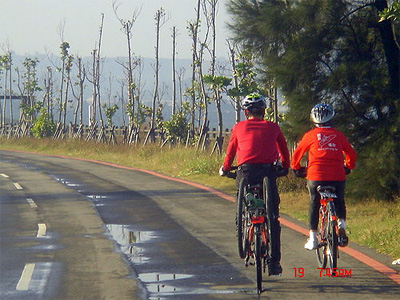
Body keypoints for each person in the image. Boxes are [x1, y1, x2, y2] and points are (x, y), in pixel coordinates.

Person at [219, 93, 290, 276]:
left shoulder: (238, 127)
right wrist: (286, 167)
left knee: (241, 204)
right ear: (263, 111)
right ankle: (274, 262)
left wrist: (226, 169)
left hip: (246, 172)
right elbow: (283, 150)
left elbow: (231, 152)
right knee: (273, 217)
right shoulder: (273, 127)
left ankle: (242, 224)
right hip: (268, 171)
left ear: (245, 112)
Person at [291, 103, 357, 250]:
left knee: (315, 202)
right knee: (339, 199)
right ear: (332, 118)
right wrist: (348, 166)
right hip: (337, 174)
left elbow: (297, 154)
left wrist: (296, 168)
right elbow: (351, 154)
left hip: (316, 175)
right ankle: (341, 224)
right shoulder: (338, 135)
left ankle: (313, 238)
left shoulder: (310, 135)